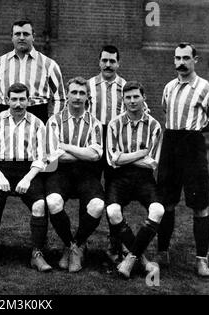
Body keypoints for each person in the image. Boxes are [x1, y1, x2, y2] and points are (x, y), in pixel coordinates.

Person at [0, 19, 66, 246]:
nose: (21, 37)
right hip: (4, 114)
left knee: (40, 181)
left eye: (26, 33)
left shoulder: (49, 64)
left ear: (33, 36)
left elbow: (59, 98)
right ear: (11, 37)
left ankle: (41, 241)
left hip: (37, 114)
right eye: (17, 34)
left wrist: (51, 126)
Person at [156, 42, 209, 277]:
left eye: (186, 58)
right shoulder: (168, 88)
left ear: (196, 60)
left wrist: (194, 131)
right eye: (177, 58)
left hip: (193, 148)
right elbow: (167, 111)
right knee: (166, 203)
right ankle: (162, 251)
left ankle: (202, 259)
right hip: (170, 146)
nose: (181, 63)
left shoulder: (207, 89)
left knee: (200, 206)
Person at [0, 83, 51, 272]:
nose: (18, 104)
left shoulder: (38, 123)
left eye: (22, 99)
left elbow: (41, 157)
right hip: (0, 169)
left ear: (29, 101)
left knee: (39, 205)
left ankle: (37, 254)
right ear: (7, 100)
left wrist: (28, 178)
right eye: (14, 99)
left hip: (27, 170)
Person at [45, 77, 105, 272]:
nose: (78, 97)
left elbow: (96, 154)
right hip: (60, 173)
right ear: (67, 95)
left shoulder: (95, 124)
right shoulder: (54, 121)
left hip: (87, 175)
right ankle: (69, 244)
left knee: (97, 205)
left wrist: (64, 146)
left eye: (82, 93)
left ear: (88, 96)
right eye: (74, 92)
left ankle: (78, 245)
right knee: (53, 202)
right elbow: (52, 154)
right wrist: (82, 153)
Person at [105, 81, 164, 278]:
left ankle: (130, 259)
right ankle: (144, 260)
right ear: (123, 100)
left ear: (143, 98)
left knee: (158, 209)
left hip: (144, 179)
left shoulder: (154, 125)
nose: (132, 101)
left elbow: (152, 163)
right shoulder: (114, 124)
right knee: (113, 211)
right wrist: (141, 153)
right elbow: (113, 160)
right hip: (119, 178)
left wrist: (126, 158)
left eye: (136, 96)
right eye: (128, 97)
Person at [87, 45, 128, 264]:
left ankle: (114, 244)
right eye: (105, 60)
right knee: (89, 192)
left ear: (118, 63)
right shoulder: (89, 86)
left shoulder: (125, 86)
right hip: (93, 140)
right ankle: (81, 242)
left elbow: (141, 112)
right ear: (99, 62)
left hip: (115, 142)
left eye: (112, 61)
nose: (108, 65)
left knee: (114, 195)